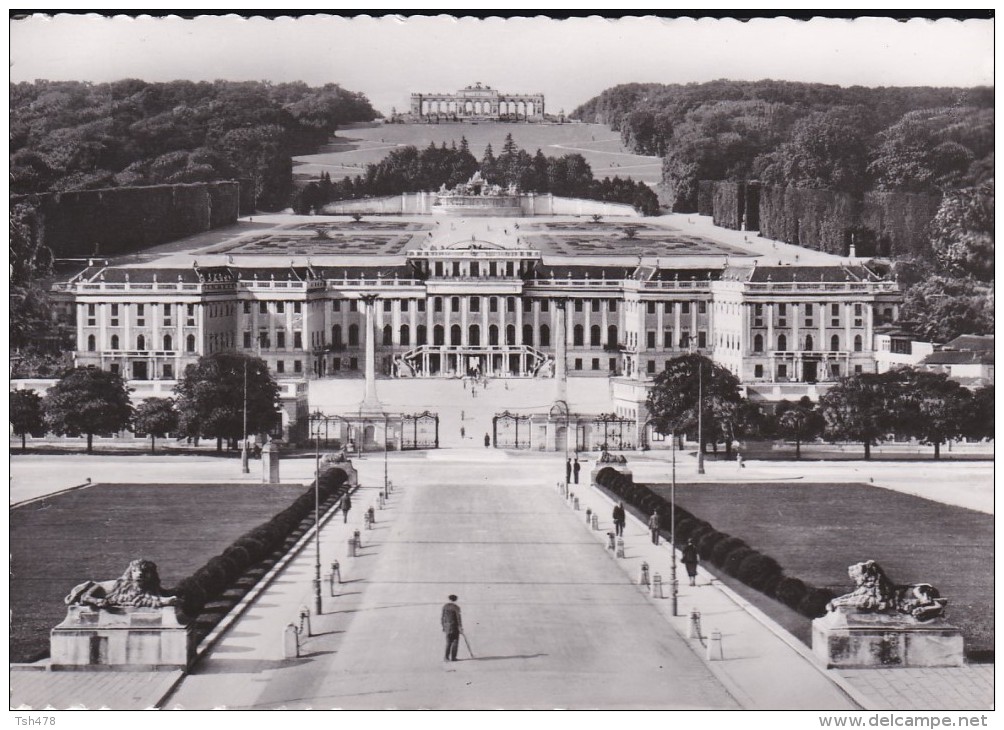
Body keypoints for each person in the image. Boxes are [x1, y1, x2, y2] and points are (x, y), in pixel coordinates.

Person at [441, 594, 463, 661]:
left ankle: (446, 657)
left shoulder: (445, 606)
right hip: (454, 627)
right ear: (456, 600)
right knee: (455, 642)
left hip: (447, 626)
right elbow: (458, 618)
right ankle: (453, 657)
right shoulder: (456, 607)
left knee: (448, 642)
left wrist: (443, 626)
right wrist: (460, 627)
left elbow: (442, 617)